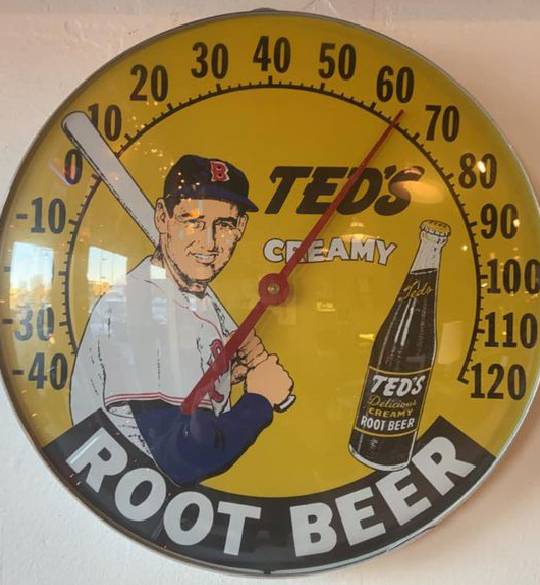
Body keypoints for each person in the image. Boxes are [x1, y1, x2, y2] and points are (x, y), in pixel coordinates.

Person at [70, 154, 293, 485]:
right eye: (194, 221)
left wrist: (222, 376)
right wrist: (260, 399)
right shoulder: (141, 306)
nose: (209, 243)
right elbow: (187, 458)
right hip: (131, 491)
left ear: (241, 228)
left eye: (224, 225)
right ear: (163, 217)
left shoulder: (194, 297)